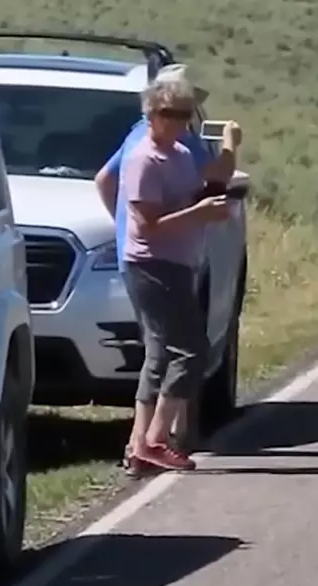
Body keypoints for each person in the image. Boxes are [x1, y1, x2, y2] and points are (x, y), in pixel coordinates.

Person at [95, 64, 242, 475]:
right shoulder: (143, 157)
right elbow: (150, 222)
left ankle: (139, 444)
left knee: (160, 354)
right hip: (152, 264)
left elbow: (191, 190)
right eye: (173, 114)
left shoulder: (180, 152)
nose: (181, 122)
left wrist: (205, 205)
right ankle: (157, 440)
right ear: (152, 115)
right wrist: (197, 213)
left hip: (173, 260)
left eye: (185, 113)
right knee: (190, 352)